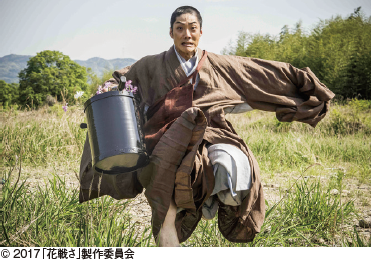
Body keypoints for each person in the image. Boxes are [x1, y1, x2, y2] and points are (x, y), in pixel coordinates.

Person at [79, 6, 335, 247]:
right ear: (171, 33)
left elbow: (259, 73)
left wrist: (303, 85)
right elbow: (120, 82)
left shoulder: (218, 64)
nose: (186, 34)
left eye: (192, 28)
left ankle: (213, 201)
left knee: (232, 162)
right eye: (179, 28)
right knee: (163, 197)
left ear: (201, 32)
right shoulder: (150, 65)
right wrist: (109, 93)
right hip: (163, 140)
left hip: (210, 135)